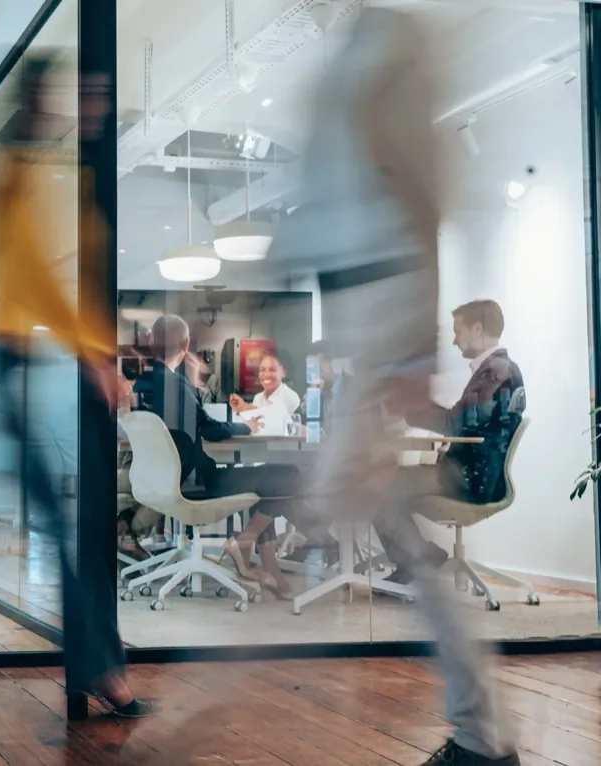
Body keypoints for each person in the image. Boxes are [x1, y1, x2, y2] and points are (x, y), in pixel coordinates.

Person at [268, 8, 518, 764]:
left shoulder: (389, 42)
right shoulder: (343, 49)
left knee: (334, 504)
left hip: (385, 312)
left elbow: (418, 190)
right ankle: (483, 732)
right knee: (353, 510)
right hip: (364, 318)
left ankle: (483, 732)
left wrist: (411, 351)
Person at [0, 53, 151, 720]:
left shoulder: (57, 174)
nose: (98, 105)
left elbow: (68, 277)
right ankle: (104, 672)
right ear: (48, 99)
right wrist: (95, 358)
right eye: (88, 94)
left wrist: (96, 352)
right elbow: (35, 278)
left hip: (35, 363)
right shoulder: (20, 171)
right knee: (59, 529)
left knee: (63, 532)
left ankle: (101, 669)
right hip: (15, 364)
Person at [134, 315, 304, 598]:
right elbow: (209, 429)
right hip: (198, 484)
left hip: (167, 482)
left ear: (151, 344)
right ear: (187, 345)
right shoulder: (175, 385)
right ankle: (244, 543)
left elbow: (188, 425)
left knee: (267, 480)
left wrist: (191, 385)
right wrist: (246, 427)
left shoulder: (144, 384)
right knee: (285, 475)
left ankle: (254, 552)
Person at [377, 299, 525, 585]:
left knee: (377, 488)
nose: (455, 340)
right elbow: (464, 423)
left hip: (469, 478)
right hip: (477, 473)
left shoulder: (496, 373)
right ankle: (419, 557)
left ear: (478, 328)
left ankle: (419, 558)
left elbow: (453, 424)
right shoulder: (497, 370)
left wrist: (409, 405)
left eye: (458, 331)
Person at [230, 354, 302, 433]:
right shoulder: (258, 397)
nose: (266, 375)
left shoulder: (290, 397)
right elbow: (255, 426)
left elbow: (273, 421)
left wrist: (245, 407)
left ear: (283, 372)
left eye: (272, 370)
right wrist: (239, 408)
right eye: (262, 370)